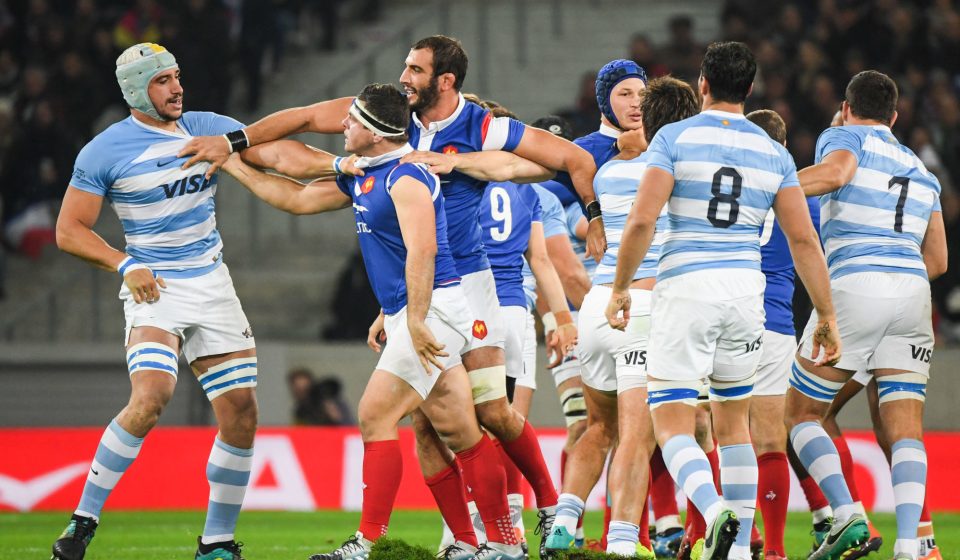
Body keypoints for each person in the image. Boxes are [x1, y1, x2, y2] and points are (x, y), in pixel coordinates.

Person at [180, 35, 601, 558]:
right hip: (416, 295)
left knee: (477, 412)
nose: (405, 77)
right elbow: (298, 162)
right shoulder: (376, 151)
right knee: (440, 428)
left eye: (416, 69)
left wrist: (484, 171)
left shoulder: (469, 133)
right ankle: (480, 542)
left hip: (464, 290)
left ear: (443, 81)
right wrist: (234, 146)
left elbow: (560, 162)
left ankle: (539, 509)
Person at [221, 83, 525, 560]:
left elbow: (424, 251)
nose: (344, 124)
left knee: (374, 413)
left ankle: (367, 542)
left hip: (436, 311)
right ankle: (492, 544)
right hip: (415, 311)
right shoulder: (368, 172)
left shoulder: (405, 178)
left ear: (378, 133)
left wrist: (418, 320)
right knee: (461, 431)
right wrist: (232, 162)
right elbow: (296, 198)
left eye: (354, 120)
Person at [605, 42, 840, 560]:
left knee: (671, 424)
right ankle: (736, 553)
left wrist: (621, 286)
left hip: (688, 289)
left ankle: (714, 512)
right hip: (746, 297)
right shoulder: (774, 151)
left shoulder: (673, 137)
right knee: (735, 426)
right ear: (750, 89)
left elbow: (643, 219)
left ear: (702, 84)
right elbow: (803, 240)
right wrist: (825, 313)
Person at [51, 43, 261, 560]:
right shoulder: (104, 150)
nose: (177, 88)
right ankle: (82, 521)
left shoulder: (206, 126)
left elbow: (276, 152)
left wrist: (339, 167)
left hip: (212, 283)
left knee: (241, 412)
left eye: (178, 76)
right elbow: (68, 230)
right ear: (136, 89)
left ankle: (216, 543)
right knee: (150, 399)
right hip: (155, 286)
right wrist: (125, 264)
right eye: (163, 80)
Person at [786, 69, 947, 560]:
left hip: (856, 285)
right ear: (895, 117)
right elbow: (939, 260)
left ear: (847, 106)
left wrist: (773, 184)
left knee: (800, 414)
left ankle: (848, 516)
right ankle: (912, 545)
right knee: (903, 431)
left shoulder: (844, 133)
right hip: (914, 293)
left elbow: (835, 174)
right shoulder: (923, 172)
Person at [548, 76, 701, 558]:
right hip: (641, 305)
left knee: (599, 428)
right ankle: (621, 544)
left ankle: (563, 520)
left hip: (596, 305)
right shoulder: (678, 166)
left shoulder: (608, 166)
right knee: (637, 437)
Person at [742, 108, 821, 560]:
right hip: (775, 325)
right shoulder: (801, 200)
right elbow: (814, 254)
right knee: (772, 440)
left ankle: (732, 533)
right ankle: (774, 550)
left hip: (726, 317)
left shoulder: (732, 189)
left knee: (719, 434)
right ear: (785, 146)